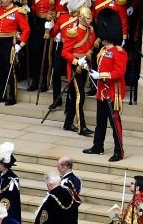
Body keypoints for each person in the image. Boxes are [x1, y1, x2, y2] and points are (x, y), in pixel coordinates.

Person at [83, 8, 127, 162]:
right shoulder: (103, 49)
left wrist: (100, 75)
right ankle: (98, 146)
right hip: (102, 92)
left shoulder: (119, 52)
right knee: (100, 122)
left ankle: (119, 151)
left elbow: (119, 73)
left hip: (113, 93)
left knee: (115, 124)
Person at [0, 0, 30, 105]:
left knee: (9, 69)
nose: (2, 0)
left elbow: (26, 29)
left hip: (9, 42)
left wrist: (20, 44)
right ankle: (1, 94)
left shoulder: (18, 11)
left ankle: (12, 96)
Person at [61, 5, 94, 135]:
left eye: (90, 18)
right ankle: (82, 126)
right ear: (80, 18)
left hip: (85, 64)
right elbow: (65, 52)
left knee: (74, 96)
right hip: (75, 66)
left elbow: (89, 47)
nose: (90, 20)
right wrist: (76, 61)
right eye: (87, 18)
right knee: (80, 96)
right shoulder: (73, 32)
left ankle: (68, 123)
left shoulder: (90, 31)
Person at [0, 142, 21, 224]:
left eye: (0, 163)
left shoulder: (12, 179)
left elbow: (13, 202)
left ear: (6, 165)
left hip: (7, 213)